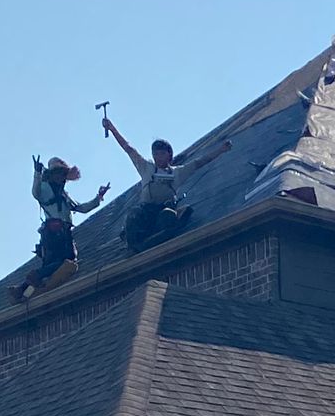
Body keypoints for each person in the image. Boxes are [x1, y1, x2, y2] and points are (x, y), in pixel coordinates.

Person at [101, 116, 228, 252]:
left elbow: (199, 162)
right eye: (155, 154)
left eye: (161, 153)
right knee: (133, 214)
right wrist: (112, 128)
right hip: (146, 212)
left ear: (169, 155)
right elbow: (129, 149)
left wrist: (221, 150)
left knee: (168, 215)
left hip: (162, 211)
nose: (158, 157)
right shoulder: (147, 168)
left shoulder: (177, 173)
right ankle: (135, 246)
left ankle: (158, 239)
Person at [15, 155, 108, 298]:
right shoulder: (45, 188)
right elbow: (35, 193)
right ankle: (34, 278)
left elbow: (81, 208)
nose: (61, 177)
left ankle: (22, 290)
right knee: (67, 259)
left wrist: (98, 197)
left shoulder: (64, 195)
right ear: (52, 175)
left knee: (51, 267)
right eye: (58, 173)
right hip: (54, 234)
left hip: (61, 233)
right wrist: (37, 174)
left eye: (63, 174)